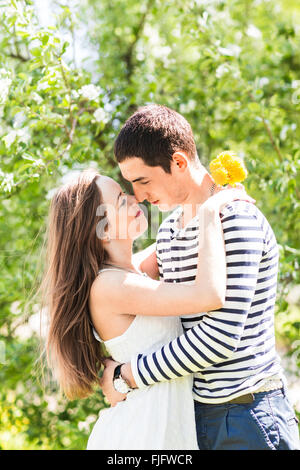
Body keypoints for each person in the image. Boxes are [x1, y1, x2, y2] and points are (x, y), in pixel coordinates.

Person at [100, 104, 300, 450]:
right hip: (197, 418)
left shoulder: (235, 218)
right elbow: (120, 285)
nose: (140, 196)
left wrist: (128, 375)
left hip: (248, 416)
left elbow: (220, 337)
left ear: (178, 162)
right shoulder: (169, 234)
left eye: (143, 180)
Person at [42, 166, 251, 450]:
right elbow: (209, 294)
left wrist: (207, 190)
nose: (135, 199)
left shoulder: (130, 272)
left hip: (164, 426)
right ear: (99, 231)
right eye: (120, 200)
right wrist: (211, 211)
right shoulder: (111, 286)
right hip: (143, 434)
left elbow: (177, 234)